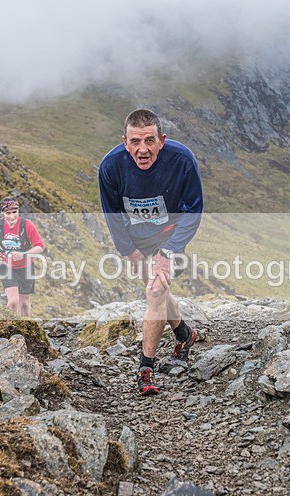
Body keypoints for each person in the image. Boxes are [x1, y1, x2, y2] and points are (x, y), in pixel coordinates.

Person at [98, 108, 204, 395]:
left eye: (149, 141)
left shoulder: (182, 160)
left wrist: (168, 253)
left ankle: (146, 369)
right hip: (137, 242)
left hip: (172, 237)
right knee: (159, 290)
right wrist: (129, 252)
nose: (142, 149)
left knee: (155, 292)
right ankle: (185, 334)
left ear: (162, 140)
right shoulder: (110, 167)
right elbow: (113, 215)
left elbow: (194, 209)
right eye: (135, 141)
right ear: (124, 141)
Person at [0, 197, 45, 317]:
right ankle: (11, 328)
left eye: (14, 212)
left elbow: (40, 247)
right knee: (12, 302)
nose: (12, 217)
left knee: (24, 304)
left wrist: (24, 254)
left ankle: (26, 330)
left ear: (18, 211)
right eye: (8, 213)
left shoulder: (27, 225)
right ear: (2, 213)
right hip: (6, 265)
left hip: (25, 267)